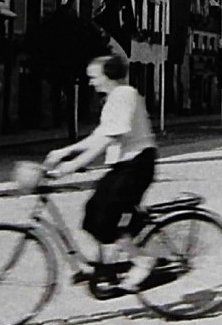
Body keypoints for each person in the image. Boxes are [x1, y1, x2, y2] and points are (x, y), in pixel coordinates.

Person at [43, 54, 157, 293]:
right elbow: (98, 136)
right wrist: (64, 152)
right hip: (124, 164)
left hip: (137, 165)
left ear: (108, 76)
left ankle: (143, 260)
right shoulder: (114, 98)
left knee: (106, 217)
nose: (90, 82)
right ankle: (103, 267)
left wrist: (71, 166)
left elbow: (108, 139)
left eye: (94, 77)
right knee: (92, 212)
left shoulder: (125, 95)